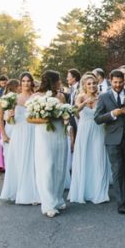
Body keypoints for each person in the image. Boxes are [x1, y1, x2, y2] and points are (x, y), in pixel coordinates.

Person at [95, 69, 125, 214]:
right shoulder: (104, 97)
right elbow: (97, 118)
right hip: (113, 139)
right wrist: (112, 114)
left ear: (124, 81)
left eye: (120, 82)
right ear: (111, 81)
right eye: (115, 82)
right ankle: (121, 202)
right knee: (117, 169)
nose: (118, 85)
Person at [31, 70, 69, 218]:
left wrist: (66, 117)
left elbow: (66, 114)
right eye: (58, 80)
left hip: (59, 132)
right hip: (44, 134)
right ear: (52, 81)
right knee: (47, 167)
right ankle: (48, 203)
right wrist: (45, 119)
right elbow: (30, 119)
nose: (60, 82)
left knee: (60, 166)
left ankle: (58, 199)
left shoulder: (61, 96)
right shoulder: (36, 97)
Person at [68, 74, 110, 204]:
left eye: (94, 83)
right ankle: (84, 191)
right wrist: (85, 102)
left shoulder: (102, 97)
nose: (92, 86)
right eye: (89, 84)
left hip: (98, 130)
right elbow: (74, 111)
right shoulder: (80, 97)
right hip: (84, 131)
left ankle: (98, 191)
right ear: (84, 85)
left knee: (98, 158)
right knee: (85, 159)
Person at [0, 73, 39, 205]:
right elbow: (9, 121)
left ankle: (35, 192)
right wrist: (10, 116)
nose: (26, 83)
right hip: (19, 133)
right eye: (24, 81)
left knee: (34, 162)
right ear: (20, 83)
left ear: (32, 83)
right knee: (20, 161)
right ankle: (20, 191)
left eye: (28, 81)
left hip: (34, 131)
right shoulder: (14, 99)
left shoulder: (36, 97)